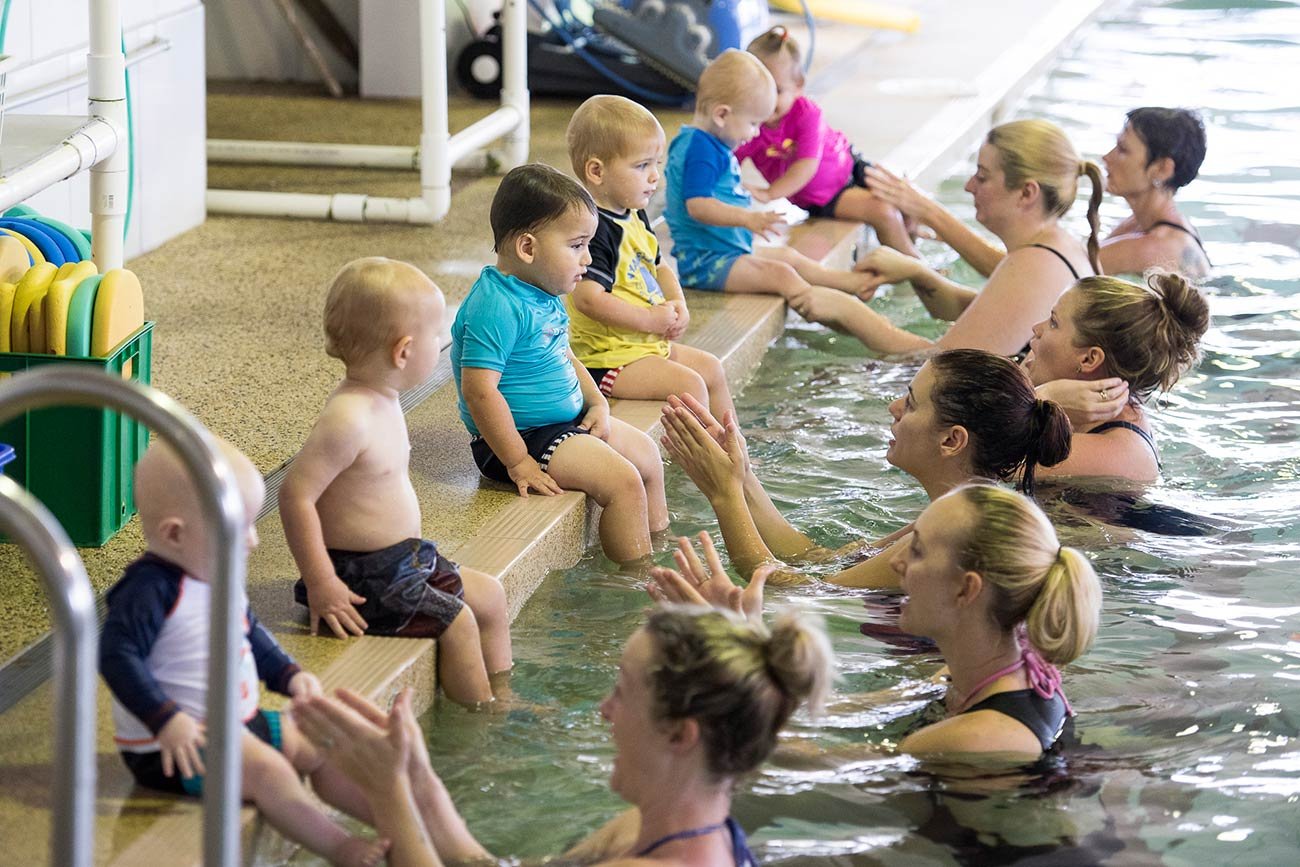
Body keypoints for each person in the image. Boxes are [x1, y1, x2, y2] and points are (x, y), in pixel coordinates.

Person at [291, 603, 835, 866]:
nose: (605, 711)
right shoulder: (648, 830)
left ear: (680, 734)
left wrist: (390, 797)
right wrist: (418, 782)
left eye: (622, 693)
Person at [100, 438, 389, 867]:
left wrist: (289, 675)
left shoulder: (216, 573)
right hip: (175, 747)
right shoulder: (149, 592)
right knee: (272, 774)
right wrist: (165, 719)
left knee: (319, 746)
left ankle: (395, 825)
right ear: (175, 534)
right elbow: (116, 657)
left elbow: (249, 634)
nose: (254, 540)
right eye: (241, 527)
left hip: (237, 723)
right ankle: (340, 848)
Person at [653, 485, 1102, 758]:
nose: (898, 562)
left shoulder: (985, 735)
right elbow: (826, 719)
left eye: (919, 550)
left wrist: (729, 651)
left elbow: (805, 767)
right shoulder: (970, 674)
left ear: (967, 589)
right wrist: (751, 648)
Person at [280, 257, 512, 707]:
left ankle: (503, 690)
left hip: (403, 560)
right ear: (403, 351)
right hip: (364, 577)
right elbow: (294, 497)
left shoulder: (383, 398)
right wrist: (321, 581)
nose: (442, 344)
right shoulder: (349, 417)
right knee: (459, 621)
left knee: (491, 595)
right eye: (436, 337)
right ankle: (484, 714)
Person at [660, 349, 1071, 588]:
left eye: (910, 403)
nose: (893, 407)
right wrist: (742, 474)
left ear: (952, 440)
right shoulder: (965, 507)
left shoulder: (958, 534)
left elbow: (802, 592)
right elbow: (820, 559)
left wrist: (723, 495)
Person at [452, 163, 668, 564]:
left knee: (647, 457)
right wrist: (518, 461)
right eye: (577, 245)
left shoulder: (543, 290)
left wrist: (597, 404)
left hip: (562, 426)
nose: (587, 258)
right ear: (528, 248)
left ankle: (660, 547)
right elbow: (479, 392)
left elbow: (563, 356)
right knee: (623, 483)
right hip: (521, 439)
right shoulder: (495, 305)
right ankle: (636, 575)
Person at [833, 120, 1102, 356]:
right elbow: (984, 315)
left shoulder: (1036, 264)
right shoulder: (1058, 246)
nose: (968, 186)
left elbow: (943, 370)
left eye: (982, 177)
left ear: (1027, 193)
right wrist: (918, 272)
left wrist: (847, 312)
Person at [663, 49, 879, 312]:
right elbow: (697, 205)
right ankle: (840, 312)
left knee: (788, 258)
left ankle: (851, 283)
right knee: (782, 275)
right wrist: (748, 219)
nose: (755, 134)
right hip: (706, 264)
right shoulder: (701, 150)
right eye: (753, 123)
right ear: (722, 115)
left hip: (722, 253)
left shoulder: (705, 144)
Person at [564, 94, 737, 421]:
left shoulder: (632, 214)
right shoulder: (594, 229)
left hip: (643, 346)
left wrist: (677, 303)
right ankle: (708, 467)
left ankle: (734, 452)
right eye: (643, 165)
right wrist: (649, 320)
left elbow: (658, 266)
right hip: (608, 360)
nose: (655, 176)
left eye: (655, 164)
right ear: (597, 171)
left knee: (712, 370)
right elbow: (588, 299)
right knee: (691, 385)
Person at [739, 26, 918, 257]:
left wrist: (770, 193)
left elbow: (807, 163)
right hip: (825, 196)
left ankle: (911, 242)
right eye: (759, 90)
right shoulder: (750, 126)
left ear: (798, 86)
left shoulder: (807, 113)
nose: (767, 99)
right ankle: (918, 269)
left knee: (905, 197)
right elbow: (726, 161)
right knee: (883, 212)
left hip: (851, 164)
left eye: (778, 90)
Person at [1025, 271, 1210, 482]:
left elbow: (985, 465)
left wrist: (1040, 399)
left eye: (1053, 323)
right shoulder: (1048, 373)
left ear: (1089, 359)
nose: (1037, 328)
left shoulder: (1119, 452)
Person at [1097, 107, 1210, 278]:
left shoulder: (1152, 247)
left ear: (1162, 169)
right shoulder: (1137, 225)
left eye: (1122, 149)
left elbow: (1066, 268)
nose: (1106, 157)